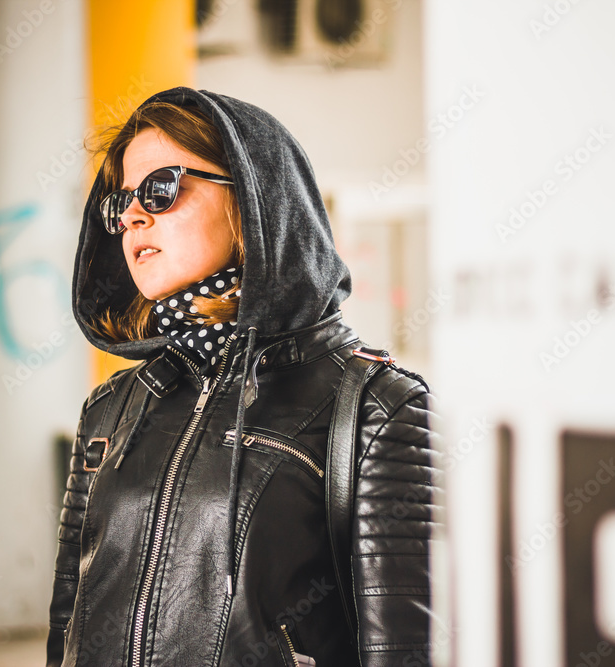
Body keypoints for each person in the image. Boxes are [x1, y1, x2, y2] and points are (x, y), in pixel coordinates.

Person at [47, 87, 440, 667]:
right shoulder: (110, 408)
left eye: (160, 189)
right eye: (121, 202)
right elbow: (68, 622)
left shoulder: (377, 409)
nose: (131, 216)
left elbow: (404, 650)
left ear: (255, 201)